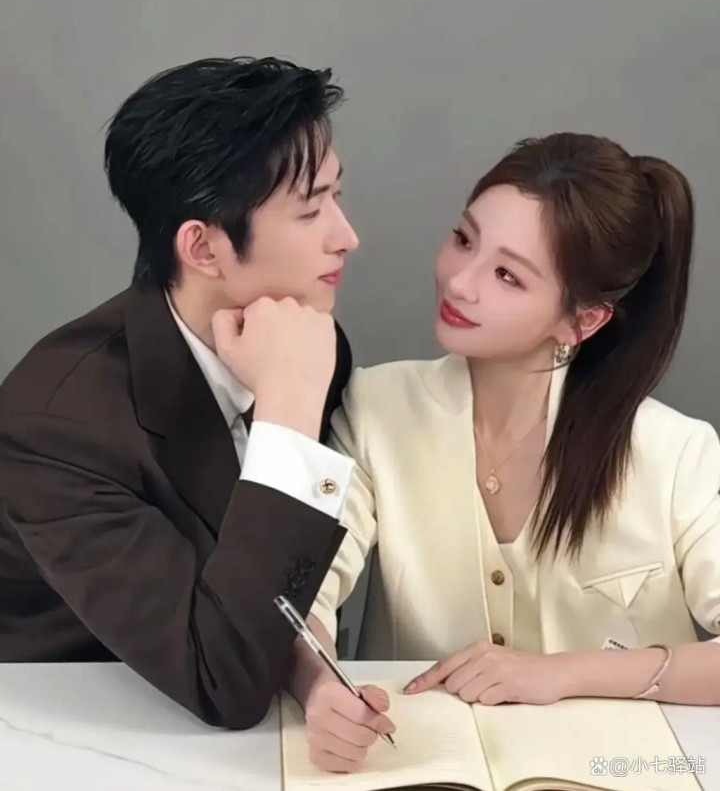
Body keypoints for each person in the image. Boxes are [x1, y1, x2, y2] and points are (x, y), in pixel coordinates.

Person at [289, 132, 720, 773]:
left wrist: (561, 674)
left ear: (583, 321)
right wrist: (320, 689)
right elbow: (304, 594)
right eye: (464, 240)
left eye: (507, 276)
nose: (460, 282)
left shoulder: (674, 452)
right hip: (424, 770)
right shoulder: (377, 409)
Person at [0, 56, 360, 729]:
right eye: (312, 209)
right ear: (203, 248)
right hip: (61, 727)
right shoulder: (55, 427)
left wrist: (313, 673)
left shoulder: (306, 339)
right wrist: (289, 410)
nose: (347, 237)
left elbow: (268, 592)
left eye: (337, 196)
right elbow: (225, 683)